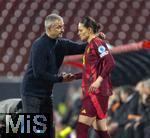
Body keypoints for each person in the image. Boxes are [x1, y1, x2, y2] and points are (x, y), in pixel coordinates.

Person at [20, 13, 87, 138]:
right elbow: (38, 73)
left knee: (49, 129)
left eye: (62, 26)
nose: (62, 29)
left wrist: (95, 40)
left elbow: (80, 48)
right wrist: (60, 78)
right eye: (58, 27)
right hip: (32, 93)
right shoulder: (39, 45)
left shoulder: (61, 44)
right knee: (33, 129)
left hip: (46, 93)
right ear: (49, 28)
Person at [73, 16, 115, 138]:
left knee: (81, 129)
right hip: (93, 92)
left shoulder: (97, 42)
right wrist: (74, 76)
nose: (78, 33)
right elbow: (89, 72)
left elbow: (110, 62)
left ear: (90, 30)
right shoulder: (90, 45)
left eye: (81, 30)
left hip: (96, 92)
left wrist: (98, 81)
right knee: (101, 130)